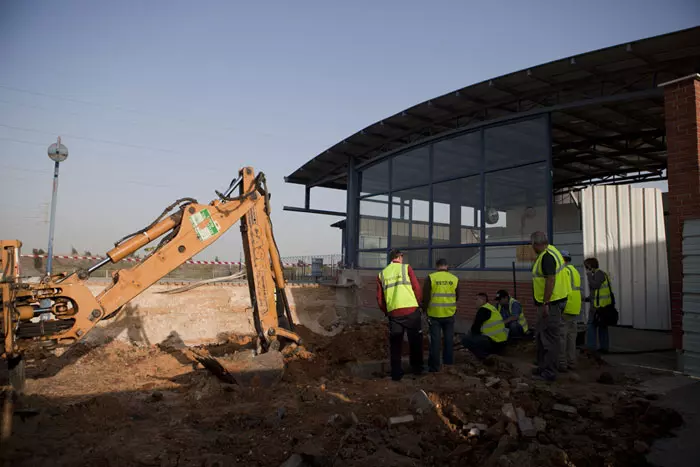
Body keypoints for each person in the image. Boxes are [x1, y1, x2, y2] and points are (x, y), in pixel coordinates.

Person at [377, 249, 424, 381]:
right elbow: (416, 288)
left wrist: (387, 311)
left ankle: (396, 373)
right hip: (411, 310)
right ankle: (417, 369)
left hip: (394, 314)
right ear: (399, 257)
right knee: (415, 341)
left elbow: (380, 299)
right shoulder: (406, 268)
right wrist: (419, 303)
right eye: (402, 256)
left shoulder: (382, 274)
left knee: (396, 344)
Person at [530, 231, 570, 382]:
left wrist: (545, 302)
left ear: (536, 244)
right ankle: (542, 367)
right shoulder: (552, 251)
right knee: (541, 336)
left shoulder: (547, 257)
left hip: (550, 304)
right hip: (553, 302)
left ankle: (548, 372)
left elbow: (550, 280)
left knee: (548, 339)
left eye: (532, 244)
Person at [422, 258, 459, 372]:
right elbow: (457, 296)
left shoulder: (431, 277)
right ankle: (448, 366)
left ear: (437, 266)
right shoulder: (454, 279)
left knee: (435, 341)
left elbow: (426, 297)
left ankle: (434, 367)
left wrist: (424, 310)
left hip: (435, 315)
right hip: (449, 314)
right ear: (446, 266)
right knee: (448, 340)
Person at [461, 293, 507, 359]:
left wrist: (470, 334)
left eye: (477, 299)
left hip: (493, 343)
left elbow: (475, 329)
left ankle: (483, 357)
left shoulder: (483, 310)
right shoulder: (491, 308)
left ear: (482, 300)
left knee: (465, 339)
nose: (475, 302)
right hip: (501, 343)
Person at [559, 250, 582, 372]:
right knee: (572, 337)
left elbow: (563, 290)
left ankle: (562, 363)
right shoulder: (575, 271)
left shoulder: (564, 271)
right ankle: (572, 362)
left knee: (562, 336)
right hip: (575, 306)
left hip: (566, 306)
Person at [583, 257, 612, 354]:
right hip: (598, 305)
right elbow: (596, 292)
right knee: (601, 326)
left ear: (590, 266)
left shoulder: (598, 274)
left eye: (586, 266)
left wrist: (589, 276)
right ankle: (603, 347)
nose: (585, 269)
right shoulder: (599, 274)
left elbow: (596, 286)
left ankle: (591, 347)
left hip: (598, 307)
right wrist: (587, 298)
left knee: (592, 325)